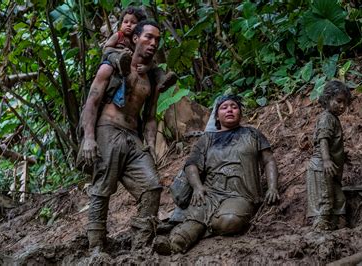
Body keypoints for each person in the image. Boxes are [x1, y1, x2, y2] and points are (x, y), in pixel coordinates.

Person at [79, 20, 167, 252]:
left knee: (152, 187)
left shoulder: (151, 79)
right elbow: (92, 102)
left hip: (133, 137)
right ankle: (96, 248)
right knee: (102, 187)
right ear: (136, 38)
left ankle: (140, 245)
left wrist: (150, 142)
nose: (153, 43)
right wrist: (89, 137)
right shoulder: (112, 66)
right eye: (148, 37)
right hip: (107, 129)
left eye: (157, 39)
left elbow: (149, 116)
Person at [157, 95, 280, 254]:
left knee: (229, 221)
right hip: (210, 193)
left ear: (240, 112)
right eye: (224, 107)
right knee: (187, 230)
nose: (229, 109)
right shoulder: (207, 139)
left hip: (241, 194)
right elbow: (191, 165)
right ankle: (174, 245)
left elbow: (269, 161)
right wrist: (197, 187)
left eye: (234, 107)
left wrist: (272, 188)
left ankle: (204, 229)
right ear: (216, 115)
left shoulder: (253, 134)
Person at [305, 80, 352, 231]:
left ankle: (336, 228)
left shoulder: (332, 118)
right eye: (338, 101)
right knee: (325, 200)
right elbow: (323, 139)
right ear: (327, 99)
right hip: (322, 167)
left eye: (345, 103)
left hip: (330, 169)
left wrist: (341, 156)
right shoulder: (326, 118)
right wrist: (326, 160)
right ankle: (319, 230)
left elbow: (331, 142)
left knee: (339, 199)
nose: (342, 106)